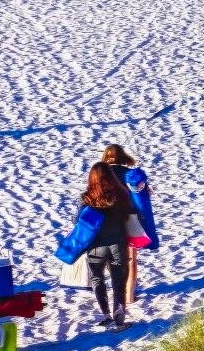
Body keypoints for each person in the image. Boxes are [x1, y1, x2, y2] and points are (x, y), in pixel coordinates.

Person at [57, 162, 136, 329]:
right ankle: (119, 318)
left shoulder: (87, 198)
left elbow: (78, 222)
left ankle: (106, 315)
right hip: (117, 244)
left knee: (97, 279)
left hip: (96, 247)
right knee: (118, 281)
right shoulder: (121, 195)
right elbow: (130, 215)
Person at [101, 141, 157, 299]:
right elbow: (146, 195)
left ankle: (117, 293)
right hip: (131, 219)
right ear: (122, 156)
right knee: (131, 259)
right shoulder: (131, 175)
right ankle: (129, 296)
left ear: (106, 157)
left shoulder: (102, 174)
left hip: (109, 221)